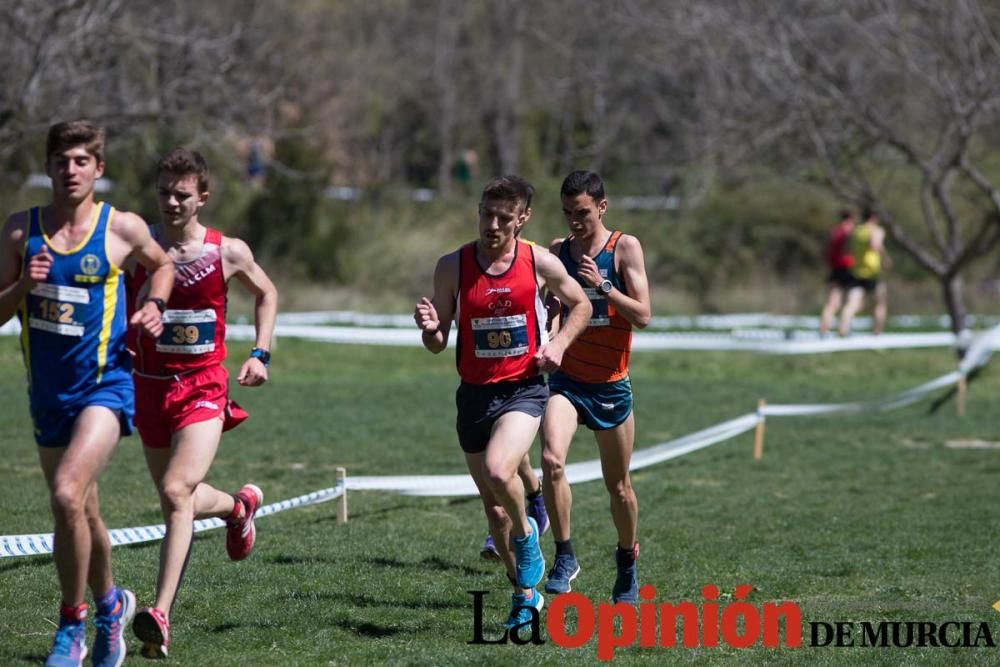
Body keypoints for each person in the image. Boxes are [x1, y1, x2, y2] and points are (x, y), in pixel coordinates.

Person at [0, 120, 174, 667]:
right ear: (48, 167)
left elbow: (163, 263)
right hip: (48, 396)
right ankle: (111, 606)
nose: (70, 171)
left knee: (67, 494)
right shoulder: (18, 231)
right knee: (84, 512)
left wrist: (156, 305)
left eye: (81, 161)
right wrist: (24, 284)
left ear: (98, 169)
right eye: (61, 161)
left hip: (105, 386)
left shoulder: (120, 228)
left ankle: (70, 625)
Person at [414, 175, 591, 629]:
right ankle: (525, 594)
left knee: (499, 470)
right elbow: (437, 343)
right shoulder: (452, 265)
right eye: (485, 214)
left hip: (522, 390)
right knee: (492, 509)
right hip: (474, 394)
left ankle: (528, 532)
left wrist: (559, 345)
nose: (492, 225)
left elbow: (582, 305)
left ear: (523, 219)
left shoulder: (539, 261)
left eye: (503, 218)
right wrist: (430, 327)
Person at [125, 148, 278, 659]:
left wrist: (261, 353)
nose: (170, 202)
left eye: (181, 195)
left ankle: (160, 613)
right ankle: (238, 507)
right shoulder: (136, 246)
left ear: (202, 199)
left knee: (175, 489)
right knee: (178, 500)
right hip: (147, 386)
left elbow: (267, 292)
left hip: (202, 387)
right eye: (164, 192)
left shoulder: (226, 251)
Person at [540, 170, 651, 604]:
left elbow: (643, 315)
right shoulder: (557, 251)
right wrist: (550, 329)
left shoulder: (624, 247)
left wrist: (603, 285)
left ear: (601, 207)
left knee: (619, 486)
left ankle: (627, 561)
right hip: (567, 380)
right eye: (567, 212)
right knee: (551, 460)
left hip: (610, 384)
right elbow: (549, 305)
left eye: (582, 212)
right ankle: (564, 555)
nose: (574, 221)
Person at [838, 207, 890, 337]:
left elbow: (846, 249)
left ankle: (842, 332)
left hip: (856, 271)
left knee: (851, 304)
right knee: (880, 303)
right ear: (874, 217)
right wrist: (885, 257)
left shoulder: (856, 230)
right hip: (872, 272)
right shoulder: (875, 230)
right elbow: (875, 244)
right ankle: (876, 334)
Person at [818, 209, 855, 336]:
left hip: (834, 269)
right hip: (848, 268)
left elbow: (824, 251)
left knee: (832, 303)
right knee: (853, 302)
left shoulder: (834, 232)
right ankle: (843, 331)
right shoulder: (849, 231)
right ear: (851, 218)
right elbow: (849, 248)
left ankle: (823, 331)